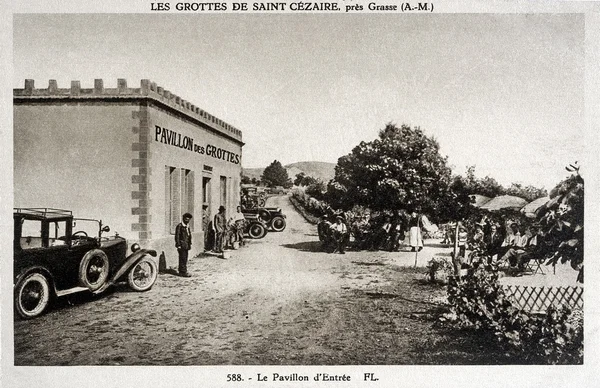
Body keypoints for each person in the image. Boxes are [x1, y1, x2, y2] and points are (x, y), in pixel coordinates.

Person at [175, 212, 193, 277]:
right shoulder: (180, 226)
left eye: (188, 220)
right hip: (181, 245)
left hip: (186, 245)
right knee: (182, 258)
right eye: (186, 219)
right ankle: (182, 272)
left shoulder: (187, 226)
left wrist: (189, 243)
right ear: (183, 219)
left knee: (185, 258)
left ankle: (183, 271)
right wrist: (178, 245)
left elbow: (189, 235)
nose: (187, 221)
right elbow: (177, 236)